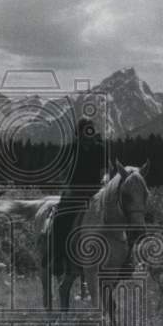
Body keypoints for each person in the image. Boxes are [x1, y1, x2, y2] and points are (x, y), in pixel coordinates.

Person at [50, 115, 107, 276]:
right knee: (60, 218)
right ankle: (58, 259)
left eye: (91, 128)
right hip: (74, 191)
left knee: (120, 213)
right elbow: (62, 171)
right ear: (79, 132)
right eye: (86, 128)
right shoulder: (71, 148)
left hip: (95, 192)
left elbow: (104, 172)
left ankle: (125, 259)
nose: (89, 131)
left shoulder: (100, 148)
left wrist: (104, 181)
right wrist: (66, 187)